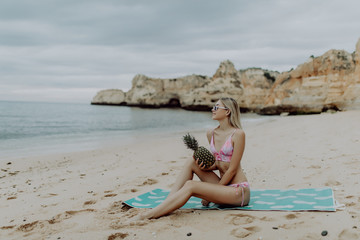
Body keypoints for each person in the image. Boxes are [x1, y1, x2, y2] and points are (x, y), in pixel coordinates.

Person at [137, 97, 249, 219]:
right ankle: (168, 201)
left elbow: (232, 169)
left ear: (227, 111)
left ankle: (148, 216)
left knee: (191, 185)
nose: (212, 110)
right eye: (213, 107)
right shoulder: (211, 133)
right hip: (222, 187)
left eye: (216, 107)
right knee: (192, 161)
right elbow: (218, 163)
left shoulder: (238, 134)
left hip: (238, 192)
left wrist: (211, 193)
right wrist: (206, 167)